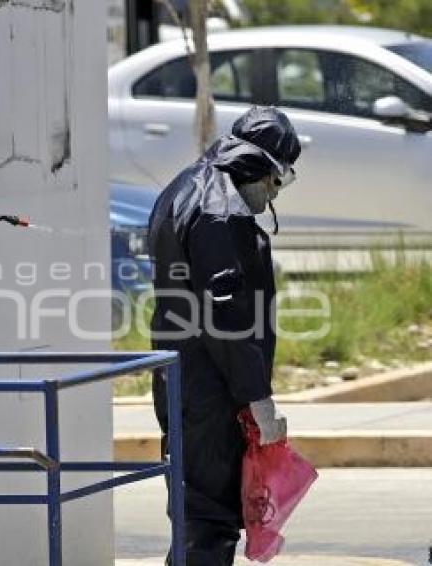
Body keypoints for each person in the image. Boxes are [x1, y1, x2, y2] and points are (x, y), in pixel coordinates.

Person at [147, 106, 301, 565]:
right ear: (258, 168)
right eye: (277, 181)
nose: (273, 194)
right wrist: (257, 398)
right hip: (211, 387)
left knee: (192, 505)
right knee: (210, 518)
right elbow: (227, 313)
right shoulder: (222, 210)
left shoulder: (183, 186)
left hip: (179, 375)